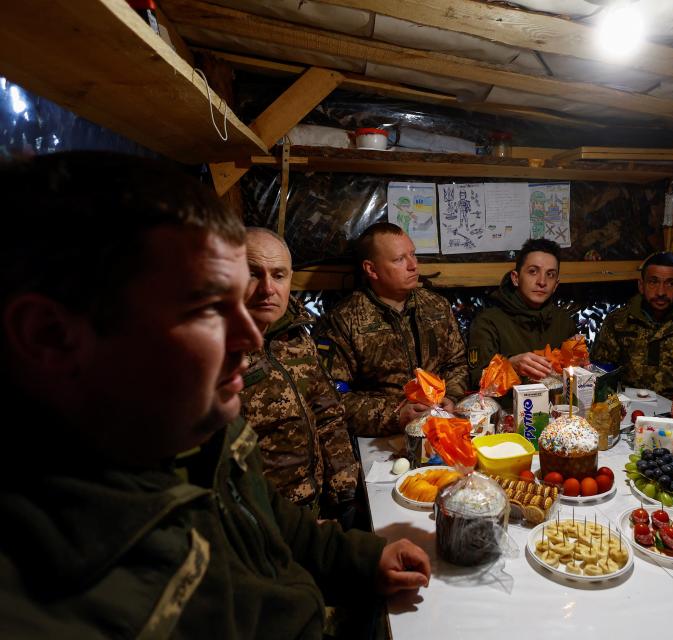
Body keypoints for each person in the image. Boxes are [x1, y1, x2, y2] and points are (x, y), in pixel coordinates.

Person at [0, 152, 430, 637]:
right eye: (207, 307)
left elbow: (266, 520)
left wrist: (360, 556)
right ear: (49, 337)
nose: (249, 337)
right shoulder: (58, 604)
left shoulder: (197, 430)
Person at [241, 227, 360, 524]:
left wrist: (345, 489)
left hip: (316, 512)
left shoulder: (295, 335)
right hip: (263, 525)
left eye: (279, 275)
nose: (268, 288)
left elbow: (327, 413)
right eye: (253, 274)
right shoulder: (213, 354)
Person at [320, 222, 468, 436]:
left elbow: (457, 364)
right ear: (371, 269)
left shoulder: (436, 307)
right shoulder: (345, 320)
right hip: (380, 438)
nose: (413, 265)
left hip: (439, 427)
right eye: (399, 259)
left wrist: (451, 397)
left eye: (413, 255)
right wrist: (394, 415)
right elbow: (332, 397)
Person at [592, 251, 673, 397]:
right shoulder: (617, 322)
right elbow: (600, 371)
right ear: (641, 285)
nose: (661, 292)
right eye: (653, 282)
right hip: (626, 405)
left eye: (671, 283)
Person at [467, 238, 577, 387]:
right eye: (533, 271)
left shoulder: (563, 321)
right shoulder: (488, 322)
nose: (542, 282)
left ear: (556, 285)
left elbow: (573, 374)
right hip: (507, 408)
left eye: (550, 274)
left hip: (557, 407)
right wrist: (511, 366)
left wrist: (579, 363)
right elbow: (476, 381)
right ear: (516, 278)